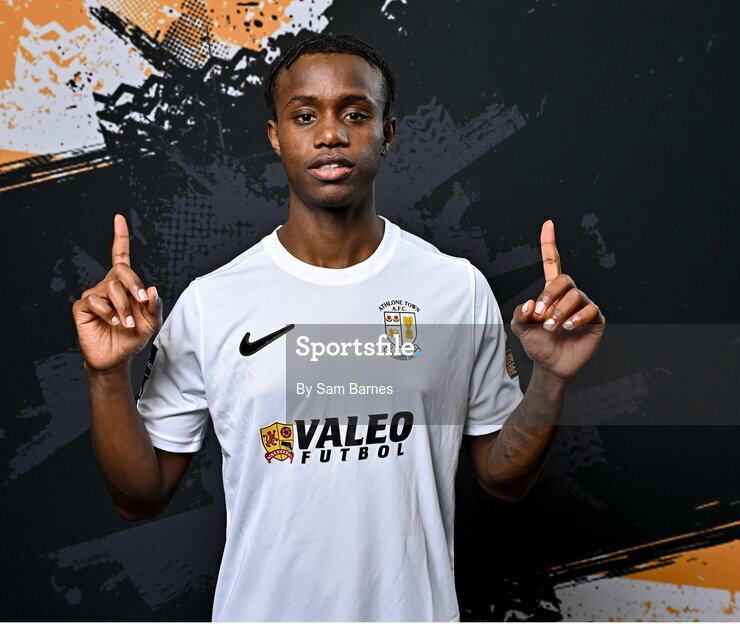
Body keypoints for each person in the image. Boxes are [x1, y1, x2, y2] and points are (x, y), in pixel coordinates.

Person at [71, 34, 605, 621]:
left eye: (356, 114)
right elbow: (139, 498)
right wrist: (107, 374)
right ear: (276, 136)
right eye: (305, 116)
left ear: (388, 133)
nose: (330, 134)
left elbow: (504, 479)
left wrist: (550, 380)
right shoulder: (212, 303)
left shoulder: (454, 288)